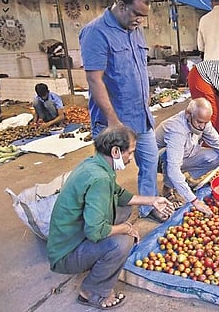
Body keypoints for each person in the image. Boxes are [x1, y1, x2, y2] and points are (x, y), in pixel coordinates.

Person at [47, 126, 174, 310]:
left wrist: (152, 200)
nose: (131, 159)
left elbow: (120, 194)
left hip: (69, 238)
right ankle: (92, 291)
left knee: (123, 209)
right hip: (65, 255)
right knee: (122, 242)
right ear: (115, 151)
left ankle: (96, 261)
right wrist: (125, 228)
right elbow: (95, 231)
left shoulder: (95, 164)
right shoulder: (100, 179)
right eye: (129, 152)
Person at [79, 0, 160, 220]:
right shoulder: (96, 32)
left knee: (149, 161)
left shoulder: (134, 28)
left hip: (141, 115)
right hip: (114, 120)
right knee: (108, 171)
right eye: (136, 14)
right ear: (121, 5)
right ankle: (102, 217)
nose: (140, 21)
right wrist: (113, 122)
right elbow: (94, 80)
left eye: (143, 17)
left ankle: (148, 206)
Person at [156, 98, 219, 215]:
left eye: (205, 123)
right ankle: (168, 187)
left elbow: (217, 142)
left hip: (186, 153)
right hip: (159, 160)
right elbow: (173, 168)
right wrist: (194, 201)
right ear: (188, 114)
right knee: (171, 162)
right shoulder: (176, 129)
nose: (202, 126)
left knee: (218, 155)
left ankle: (186, 179)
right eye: (199, 122)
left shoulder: (203, 122)